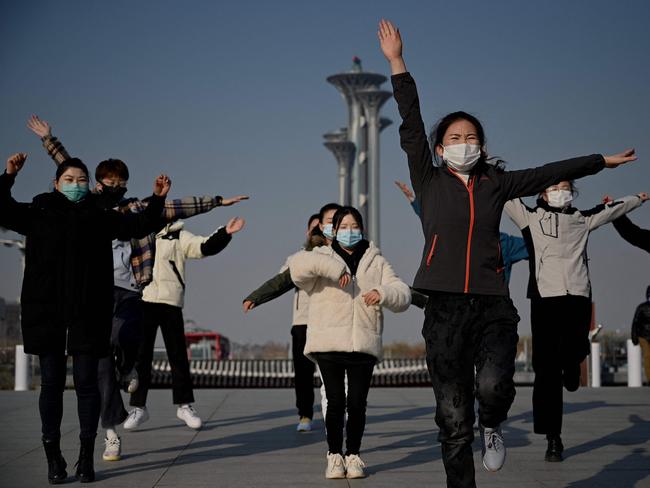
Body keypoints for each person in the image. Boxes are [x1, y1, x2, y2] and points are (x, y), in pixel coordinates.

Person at [378, 18, 639, 488]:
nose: (464, 144)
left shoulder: (497, 184)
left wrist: (599, 162)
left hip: (493, 303)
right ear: (440, 148)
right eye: (454, 138)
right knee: (452, 416)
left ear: (482, 146)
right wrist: (397, 62)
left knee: (493, 388)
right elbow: (411, 122)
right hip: (442, 306)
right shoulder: (429, 178)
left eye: (471, 138)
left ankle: (493, 425)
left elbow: (548, 172)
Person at [27, 114, 248, 462]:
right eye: (108, 181)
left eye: (121, 181)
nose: (114, 186)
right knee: (100, 366)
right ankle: (111, 432)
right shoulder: (88, 209)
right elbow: (68, 168)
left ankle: (129, 368)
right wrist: (49, 140)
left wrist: (218, 201)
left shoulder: (135, 209)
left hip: (130, 288)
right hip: (94, 292)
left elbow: (177, 206)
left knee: (132, 337)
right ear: (97, 184)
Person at [0, 153, 170, 484]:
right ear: (55, 183)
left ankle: (84, 457)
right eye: (69, 179)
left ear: (89, 185)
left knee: (86, 385)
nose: (76, 185)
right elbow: (2, 207)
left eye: (81, 180)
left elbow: (139, 225)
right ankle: (54, 458)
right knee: (49, 383)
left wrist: (158, 199)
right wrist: (8, 175)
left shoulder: (99, 216)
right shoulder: (39, 211)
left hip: (88, 310)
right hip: (46, 310)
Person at [505, 183, 646, 461]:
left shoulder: (582, 218)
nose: (560, 191)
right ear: (542, 193)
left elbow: (611, 210)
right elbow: (504, 193)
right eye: (554, 186)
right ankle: (553, 437)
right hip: (544, 298)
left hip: (578, 295)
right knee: (546, 370)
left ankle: (572, 367)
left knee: (576, 350)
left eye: (566, 187)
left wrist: (637, 199)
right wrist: (486, 161)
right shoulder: (529, 217)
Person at [289, 206, 411, 479]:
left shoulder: (375, 260)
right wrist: (334, 267)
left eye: (354, 225)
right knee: (335, 401)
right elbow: (297, 269)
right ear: (333, 230)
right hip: (329, 343)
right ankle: (334, 455)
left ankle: (353, 455)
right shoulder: (319, 255)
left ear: (362, 229)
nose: (349, 231)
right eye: (343, 226)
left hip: (363, 343)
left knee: (356, 403)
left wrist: (382, 292)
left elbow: (402, 292)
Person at [124, 216, 245, 431]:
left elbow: (203, 247)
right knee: (141, 357)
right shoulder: (139, 237)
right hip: (144, 300)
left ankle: (184, 406)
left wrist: (225, 233)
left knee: (178, 355)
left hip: (171, 301)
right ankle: (138, 407)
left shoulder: (178, 236)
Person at [243, 211, 327, 432]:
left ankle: (335, 414)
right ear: (307, 232)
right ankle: (305, 416)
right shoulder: (296, 258)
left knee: (332, 372)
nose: (317, 231)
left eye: (322, 227)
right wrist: (257, 297)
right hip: (302, 321)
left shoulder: (333, 256)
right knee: (303, 373)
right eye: (313, 228)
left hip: (328, 320)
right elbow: (282, 280)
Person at [396, 180, 528, 285]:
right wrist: (413, 200)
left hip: (495, 305)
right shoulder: (458, 235)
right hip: (462, 304)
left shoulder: (504, 243)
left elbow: (537, 246)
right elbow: (435, 220)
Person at [631, 286, 650, 386]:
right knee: (647, 356)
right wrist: (634, 337)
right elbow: (635, 323)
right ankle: (649, 379)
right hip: (643, 336)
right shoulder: (641, 308)